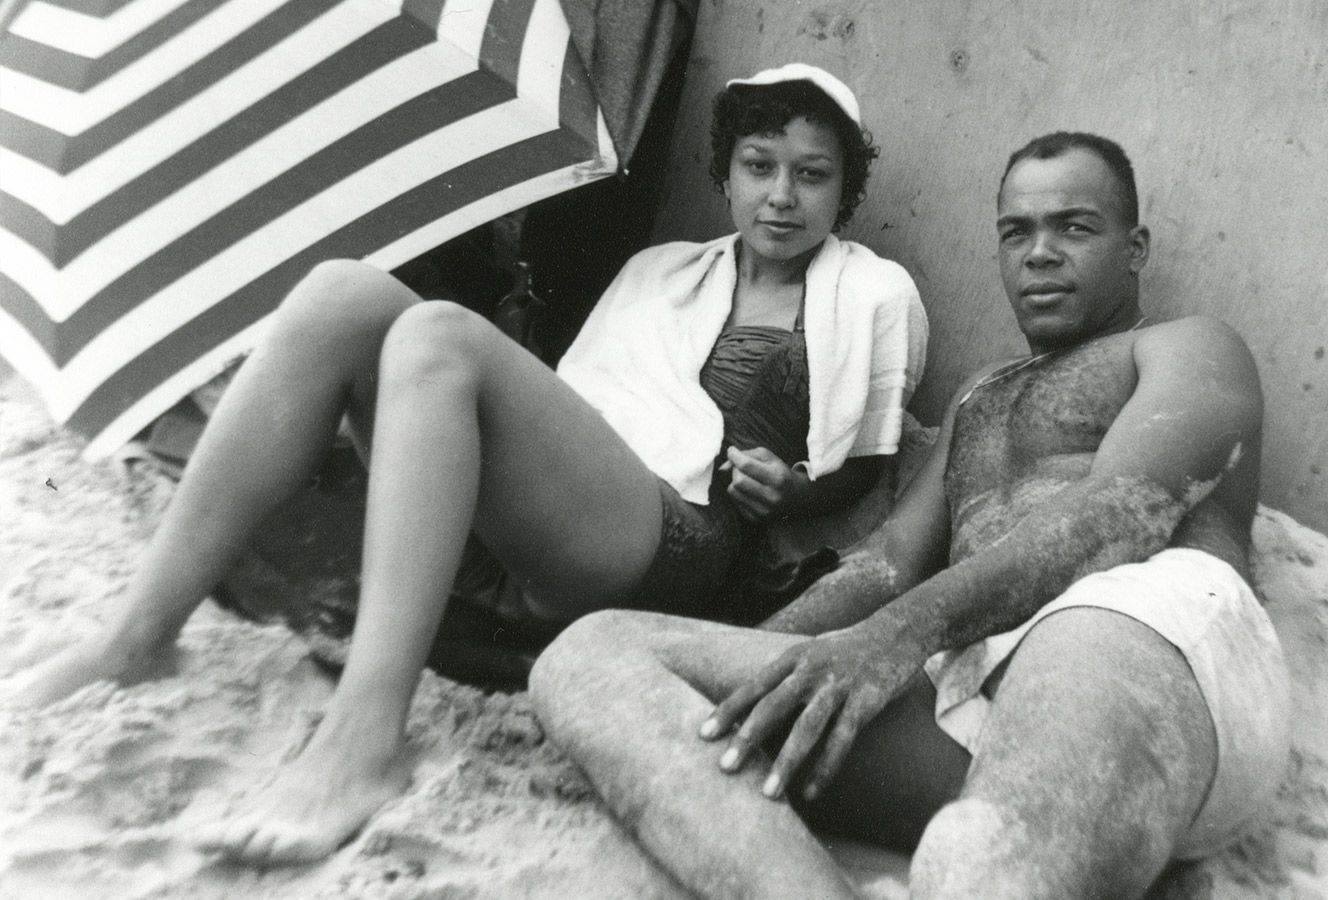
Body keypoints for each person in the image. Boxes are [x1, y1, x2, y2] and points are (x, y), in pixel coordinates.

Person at [6, 63, 926, 866]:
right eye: (759, 167)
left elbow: (867, 459)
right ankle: (136, 637)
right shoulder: (661, 270)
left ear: (844, 193)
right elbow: (586, 394)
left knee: (440, 337)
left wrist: (793, 487)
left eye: (812, 176)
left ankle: (365, 737)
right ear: (724, 173)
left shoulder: (870, 292)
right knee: (341, 292)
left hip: (677, 542)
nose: (780, 196)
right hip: (584, 503)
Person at [528, 131, 1291, 899]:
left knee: (980, 865)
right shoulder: (982, 391)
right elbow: (891, 559)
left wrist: (896, 636)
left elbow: (1112, 521)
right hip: (968, 686)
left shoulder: (1190, 347)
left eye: (1074, 227)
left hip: (1130, 635)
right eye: (1016, 232)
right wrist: (753, 668)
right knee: (592, 659)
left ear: (1135, 248)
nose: (1040, 253)